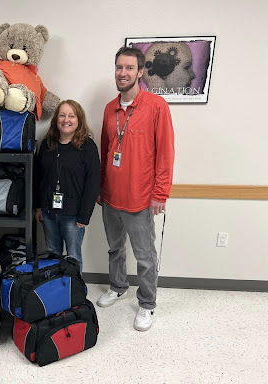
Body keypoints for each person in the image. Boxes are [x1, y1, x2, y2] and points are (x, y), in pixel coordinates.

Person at [96, 46, 175, 332]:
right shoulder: (109, 109)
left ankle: (147, 304)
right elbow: (106, 153)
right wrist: (101, 189)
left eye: (129, 68)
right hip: (111, 197)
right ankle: (117, 287)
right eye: (119, 67)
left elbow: (166, 154)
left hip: (141, 198)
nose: (123, 73)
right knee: (115, 249)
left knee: (145, 257)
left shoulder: (156, 107)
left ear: (140, 72)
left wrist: (160, 193)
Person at [34, 100, 100, 271]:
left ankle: (73, 294)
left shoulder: (87, 146)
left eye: (71, 116)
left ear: (79, 120)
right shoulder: (47, 144)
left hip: (73, 216)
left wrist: (84, 216)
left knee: (73, 257)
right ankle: (55, 291)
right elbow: (39, 178)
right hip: (48, 213)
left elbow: (93, 182)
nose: (66, 120)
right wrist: (38, 207)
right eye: (62, 115)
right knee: (53, 256)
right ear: (56, 119)